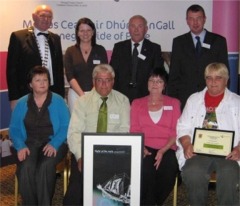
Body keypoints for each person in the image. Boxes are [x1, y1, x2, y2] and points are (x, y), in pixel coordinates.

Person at [63, 64, 130, 205]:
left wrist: (114, 154)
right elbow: (74, 132)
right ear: (93, 81)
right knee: (75, 194)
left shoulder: (123, 100)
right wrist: (80, 156)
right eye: (100, 80)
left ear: (113, 81)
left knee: (117, 192)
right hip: (86, 153)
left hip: (113, 154)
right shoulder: (82, 102)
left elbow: (125, 131)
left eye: (108, 80)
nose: (104, 84)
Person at [176, 63, 240, 205]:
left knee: (229, 174)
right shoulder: (194, 99)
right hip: (198, 151)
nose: (213, 82)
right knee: (193, 172)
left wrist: (238, 149)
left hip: (228, 153)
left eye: (218, 78)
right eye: (209, 78)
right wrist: (186, 144)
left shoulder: (237, 101)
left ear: (226, 80)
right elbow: (182, 126)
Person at [9, 66, 70, 205]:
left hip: (54, 141)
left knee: (45, 166)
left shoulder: (58, 100)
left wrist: (55, 143)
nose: (42, 83)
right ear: (30, 84)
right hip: (28, 142)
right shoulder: (22, 102)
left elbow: (65, 126)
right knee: (25, 168)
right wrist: (20, 146)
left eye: (45, 80)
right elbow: (14, 128)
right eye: (38, 80)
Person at [130, 67, 181, 205]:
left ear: (164, 85)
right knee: (145, 171)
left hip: (167, 147)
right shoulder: (136, 103)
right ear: (147, 83)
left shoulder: (174, 103)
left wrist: (163, 150)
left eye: (159, 81)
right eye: (151, 80)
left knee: (168, 171)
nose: (154, 84)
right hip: (143, 146)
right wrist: (141, 147)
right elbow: (134, 129)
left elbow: (175, 131)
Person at [168, 4, 229, 110]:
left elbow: (225, 73)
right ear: (187, 21)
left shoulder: (218, 41)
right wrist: (173, 101)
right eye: (191, 19)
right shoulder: (178, 42)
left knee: (208, 126)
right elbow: (174, 75)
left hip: (212, 96)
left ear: (204, 19)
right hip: (185, 99)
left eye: (198, 18)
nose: (195, 23)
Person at [7, 4, 65, 110]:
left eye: (49, 16)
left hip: (52, 92)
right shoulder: (18, 37)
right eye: (42, 15)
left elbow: (59, 70)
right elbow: (12, 70)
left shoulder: (55, 39)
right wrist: (14, 98)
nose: (46, 19)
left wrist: (61, 96)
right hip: (26, 93)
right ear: (34, 17)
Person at [110, 15, 164, 103]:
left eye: (140, 26)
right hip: (121, 96)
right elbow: (112, 72)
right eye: (133, 26)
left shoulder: (154, 49)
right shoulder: (119, 47)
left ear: (146, 29)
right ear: (128, 29)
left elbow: (158, 74)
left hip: (145, 95)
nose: (136, 30)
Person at [65, 17, 108, 113]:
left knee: (94, 124)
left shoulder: (100, 50)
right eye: (82, 30)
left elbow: (103, 73)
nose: (85, 33)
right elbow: (70, 76)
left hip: (96, 93)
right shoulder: (70, 51)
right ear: (77, 33)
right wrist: (82, 96)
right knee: (77, 125)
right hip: (75, 94)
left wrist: (91, 95)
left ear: (93, 32)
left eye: (88, 30)